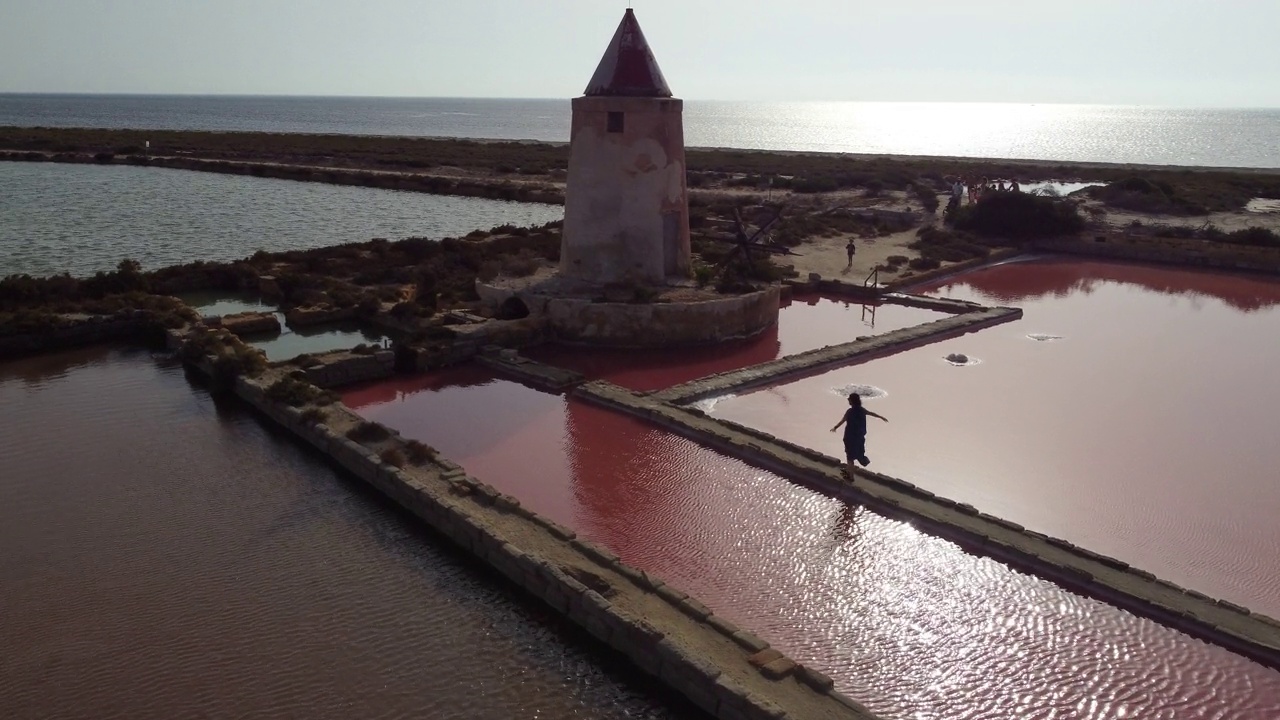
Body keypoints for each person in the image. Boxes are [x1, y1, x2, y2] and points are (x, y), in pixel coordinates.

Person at [830, 393, 888, 471]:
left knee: (850, 457)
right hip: (859, 437)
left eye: (849, 399)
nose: (848, 401)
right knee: (857, 453)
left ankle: (850, 475)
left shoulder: (850, 411)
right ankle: (854, 466)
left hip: (849, 437)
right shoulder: (862, 410)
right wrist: (881, 417)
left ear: (852, 401)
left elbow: (843, 421)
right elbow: (871, 413)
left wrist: (835, 427)